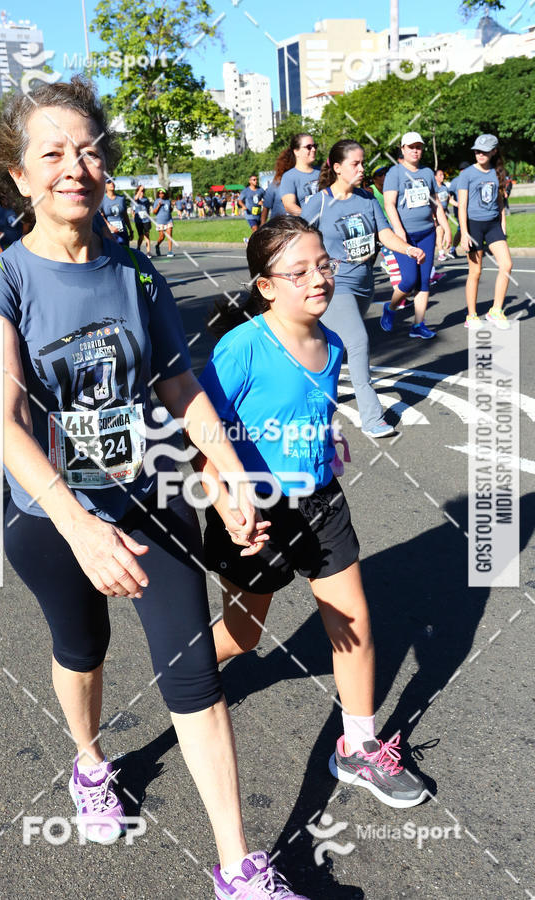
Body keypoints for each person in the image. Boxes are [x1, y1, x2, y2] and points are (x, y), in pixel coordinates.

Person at [0, 76, 308, 900]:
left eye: (87, 149)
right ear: (20, 175)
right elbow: (1, 419)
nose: (73, 165)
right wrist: (77, 526)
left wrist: (228, 477)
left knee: (194, 672)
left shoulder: (135, 271)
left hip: (147, 495)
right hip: (50, 511)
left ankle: (238, 868)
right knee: (83, 651)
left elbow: (179, 385)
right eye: (51, 152)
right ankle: (90, 764)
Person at [196, 215, 429, 814]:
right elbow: (202, 444)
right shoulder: (242, 346)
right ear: (266, 286)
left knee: (354, 621)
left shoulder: (336, 342)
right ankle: (187, 668)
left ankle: (357, 746)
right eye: (298, 272)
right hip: (255, 513)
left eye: (323, 265)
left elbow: (310, 415)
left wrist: (322, 449)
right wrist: (228, 508)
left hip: (322, 505)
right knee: (245, 638)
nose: (318, 279)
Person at [301, 140, 426, 438]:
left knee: (333, 346)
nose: (362, 168)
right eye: (355, 164)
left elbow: (383, 233)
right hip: (334, 285)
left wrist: (407, 248)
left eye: (362, 163)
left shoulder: (367, 199)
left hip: (364, 286)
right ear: (337, 167)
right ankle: (372, 418)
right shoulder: (317, 203)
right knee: (357, 342)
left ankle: (311, 397)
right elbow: (296, 241)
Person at [380, 131, 452, 340]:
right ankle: (391, 308)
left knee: (424, 281)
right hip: (405, 237)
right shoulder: (395, 173)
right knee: (409, 279)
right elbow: (389, 204)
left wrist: (445, 227)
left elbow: (435, 203)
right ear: (402, 149)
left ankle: (418, 324)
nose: (415, 150)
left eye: (418, 146)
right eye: (410, 147)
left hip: (427, 233)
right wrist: (399, 230)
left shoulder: (428, 173)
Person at [458, 133, 512, 330]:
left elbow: (500, 202)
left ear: (494, 151)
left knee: (506, 264)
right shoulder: (467, 175)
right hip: (473, 226)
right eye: (477, 151)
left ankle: (496, 311)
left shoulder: (498, 173)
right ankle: (471, 315)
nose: (479, 154)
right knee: (476, 271)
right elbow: (461, 206)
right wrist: (463, 233)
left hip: (493, 225)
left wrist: (502, 223)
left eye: (484, 151)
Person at [278, 134, 321, 214]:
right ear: (296, 151)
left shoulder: (322, 172)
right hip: (305, 225)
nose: (314, 149)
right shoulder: (289, 177)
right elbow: (289, 206)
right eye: (309, 147)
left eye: (315, 146)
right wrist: (310, 218)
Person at [447, 161, 471, 258]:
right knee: (462, 229)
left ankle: (468, 248)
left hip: (470, 209)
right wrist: (458, 204)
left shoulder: (469, 179)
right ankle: (453, 249)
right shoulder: (456, 181)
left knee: (465, 229)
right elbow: (448, 196)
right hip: (460, 210)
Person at [100, 178, 132, 246]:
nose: (112, 183)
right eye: (109, 182)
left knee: (125, 252)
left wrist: (130, 229)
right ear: (105, 185)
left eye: (113, 182)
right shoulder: (102, 199)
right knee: (113, 253)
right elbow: (101, 215)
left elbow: (125, 215)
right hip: (110, 232)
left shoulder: (121, 198)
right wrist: (109, 226)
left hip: (122, 230)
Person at [238, 174, 265, 240]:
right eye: (254, 180)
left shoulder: (260, 190)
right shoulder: (246, 191)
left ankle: (249, 240)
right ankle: (250, 242)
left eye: (256, 180)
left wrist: (262, 202)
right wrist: (243, 206)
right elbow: (239, 200)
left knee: (259, 231)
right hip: (249, 214)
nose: (256, 181)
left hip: (258, 214)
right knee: (255, 229)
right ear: (250, 181)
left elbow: (267, 199)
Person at [434, 168, 450, 263]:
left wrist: (459, 204)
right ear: (435, 177)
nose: (442, 176)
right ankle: (441, 253)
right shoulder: (434, 188)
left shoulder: (444, 187)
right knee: (439, 233)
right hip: (437, 213)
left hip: (445, 212)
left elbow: (449, 199)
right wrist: (434, 216)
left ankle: (441, 250)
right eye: (440, 175)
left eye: (443, 175)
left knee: (443, 232)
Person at [132, 184, 152, 257]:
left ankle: (148, 252)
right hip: (139, 220)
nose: (142, 192)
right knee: (141, 236)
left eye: (143, 191)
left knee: (147, 235)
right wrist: (140, 189)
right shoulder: (135, 198)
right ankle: (138, 247)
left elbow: (148, 210)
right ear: (138, 191)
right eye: (141, 191)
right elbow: (136, 199)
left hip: (146, 220)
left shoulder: (146, 200)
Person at [152, 188, 174, 257]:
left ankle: (170, 251)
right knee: (162, 237)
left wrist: (172, 206)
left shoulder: (168, 201)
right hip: (160, 221)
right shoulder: (157, 201)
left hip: (168, 220)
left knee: (169, 235)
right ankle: (157, 245)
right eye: (159, 193)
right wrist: (158, 206)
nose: (161, 194)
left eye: (162, 193)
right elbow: (154, 212)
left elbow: (170, 210)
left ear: (165, 194)